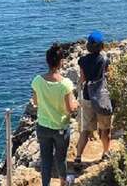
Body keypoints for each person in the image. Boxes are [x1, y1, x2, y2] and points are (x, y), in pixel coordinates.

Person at [32, 43, 78, 186]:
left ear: (47, 61)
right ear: (61, 62)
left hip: (43, 126)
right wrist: (77, 104)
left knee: (45, 160)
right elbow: (70, 109)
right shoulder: (65, 84)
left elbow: (36, 102)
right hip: (60, 127)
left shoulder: (37, 81)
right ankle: (63, 182)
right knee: (60, 158)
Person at [75, 31, 113, 164]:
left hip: (87, 96)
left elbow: (83, 78)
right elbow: (109, 75)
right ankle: (105, 153)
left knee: (85, 130)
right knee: (105, 129)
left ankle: (78, 157)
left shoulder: (82, 61)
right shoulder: (104, 60)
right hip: (101, 96)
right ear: (102, 46)